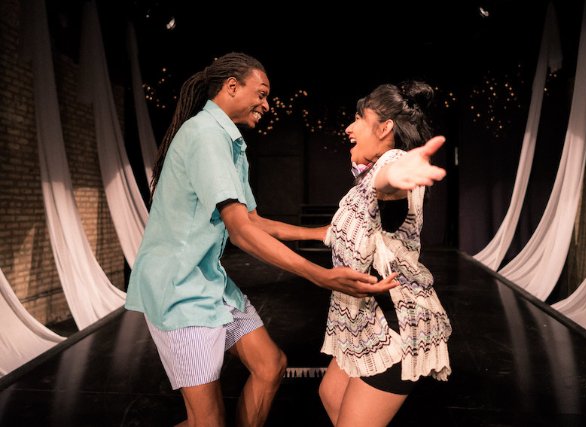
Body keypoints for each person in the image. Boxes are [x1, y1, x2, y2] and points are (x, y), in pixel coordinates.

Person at [124, 52, 400, 427]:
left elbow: (252, 220)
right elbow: (241, 231)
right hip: (178, 290)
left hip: (209, 282)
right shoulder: (206, 136)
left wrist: (321, 233)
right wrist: (320, 276)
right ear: (231, 87)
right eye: (262, 94)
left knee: (270, 366)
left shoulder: (229, 141)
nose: (267, 105)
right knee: (208, 421)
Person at [318, 81, 453, 427]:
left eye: (358, 119)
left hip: (397, 325)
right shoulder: (364, 182)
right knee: (330, 393)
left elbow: (388, 180)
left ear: (384, 128)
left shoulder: (390, 162)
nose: (349, 128)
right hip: (368, 320)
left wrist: (399, 172)